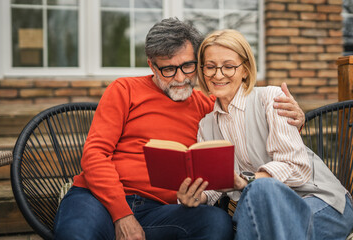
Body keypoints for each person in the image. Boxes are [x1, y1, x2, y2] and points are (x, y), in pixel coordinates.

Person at [53, 18, 305, 240]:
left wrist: (292, 120)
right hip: (97, 200)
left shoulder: (209, 106)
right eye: (168, 69)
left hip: (163, 210)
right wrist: (122, 216)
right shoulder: (124, 89)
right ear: (152, 66)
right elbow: (94, 155)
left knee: (217, 224)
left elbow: (248, 125)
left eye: (188, 66)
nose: (181, 78)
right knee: (76, 235)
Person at [177, 28, 353, 239]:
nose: (218, 74)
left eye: (229, 67)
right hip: (260, 210)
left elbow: (296, 166)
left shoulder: (271, 98)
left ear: (245, 70)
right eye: (210, 67)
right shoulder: (206, 126)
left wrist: (247, 180)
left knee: (261, 189)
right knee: (258, 204)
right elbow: (215, 186)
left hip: (319, 201)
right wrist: (197, 196)